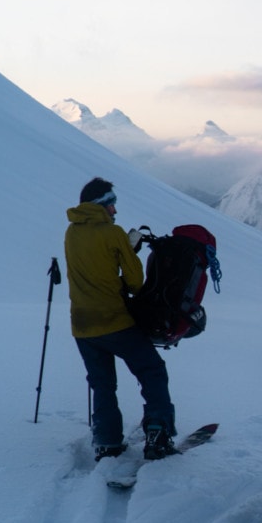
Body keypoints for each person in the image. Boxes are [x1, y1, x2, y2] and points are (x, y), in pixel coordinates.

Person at [65, 177, 178, 461]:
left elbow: (92, 269)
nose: (115, 211)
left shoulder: (71, 232)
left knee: (102, 384)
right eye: (111, 204)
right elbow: (135, 282)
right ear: (101, 205)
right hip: (114, 321)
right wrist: (129, 253)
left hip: (82, 326)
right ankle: (158, 432)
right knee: (151, 370)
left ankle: (107, 442)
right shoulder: (113, 233)